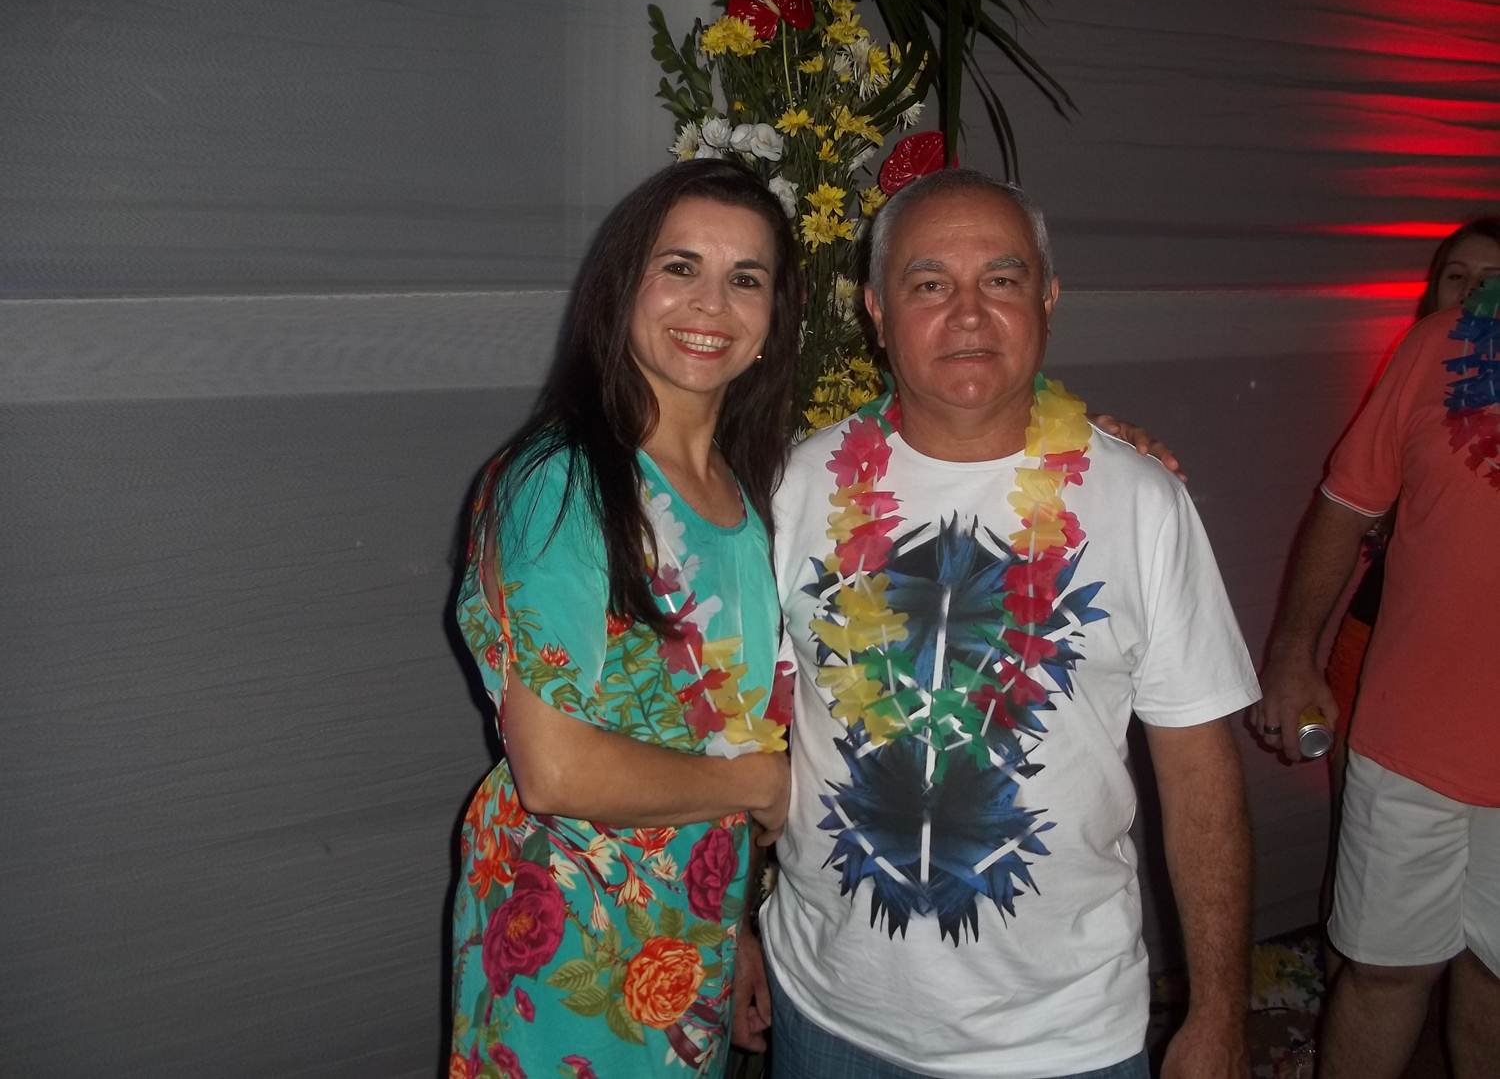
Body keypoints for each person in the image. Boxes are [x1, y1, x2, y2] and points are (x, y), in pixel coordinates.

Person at [734, 168, 1259, 1077]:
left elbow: (1201, 776)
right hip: (826, 1013)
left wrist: (1219, 1011)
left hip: (1064, 1038)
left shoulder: (1141, 502)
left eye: (1002, 279)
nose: (969, 313)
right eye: (929, 283)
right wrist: (733, 925)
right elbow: (749, 733)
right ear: (875, 310)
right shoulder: (794, 489)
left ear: (1048, 299)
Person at [447, 159, 800, 1078]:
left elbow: (717, 724)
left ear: (772, 321)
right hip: (572, 939)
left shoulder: (749, 496)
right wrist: (759, 784)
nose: (711, 303)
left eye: (746, 278)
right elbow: (555, 768)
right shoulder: (563, 480)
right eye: (680, 267)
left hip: (688, 936)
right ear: (622, 290)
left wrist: (734, 923)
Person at [1253, 217, 1500, 1077]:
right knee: (1383, 973)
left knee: (1495, 979)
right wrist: (1293, 653)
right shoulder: (1441, 343)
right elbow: (1347, 501)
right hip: (1408, 744)